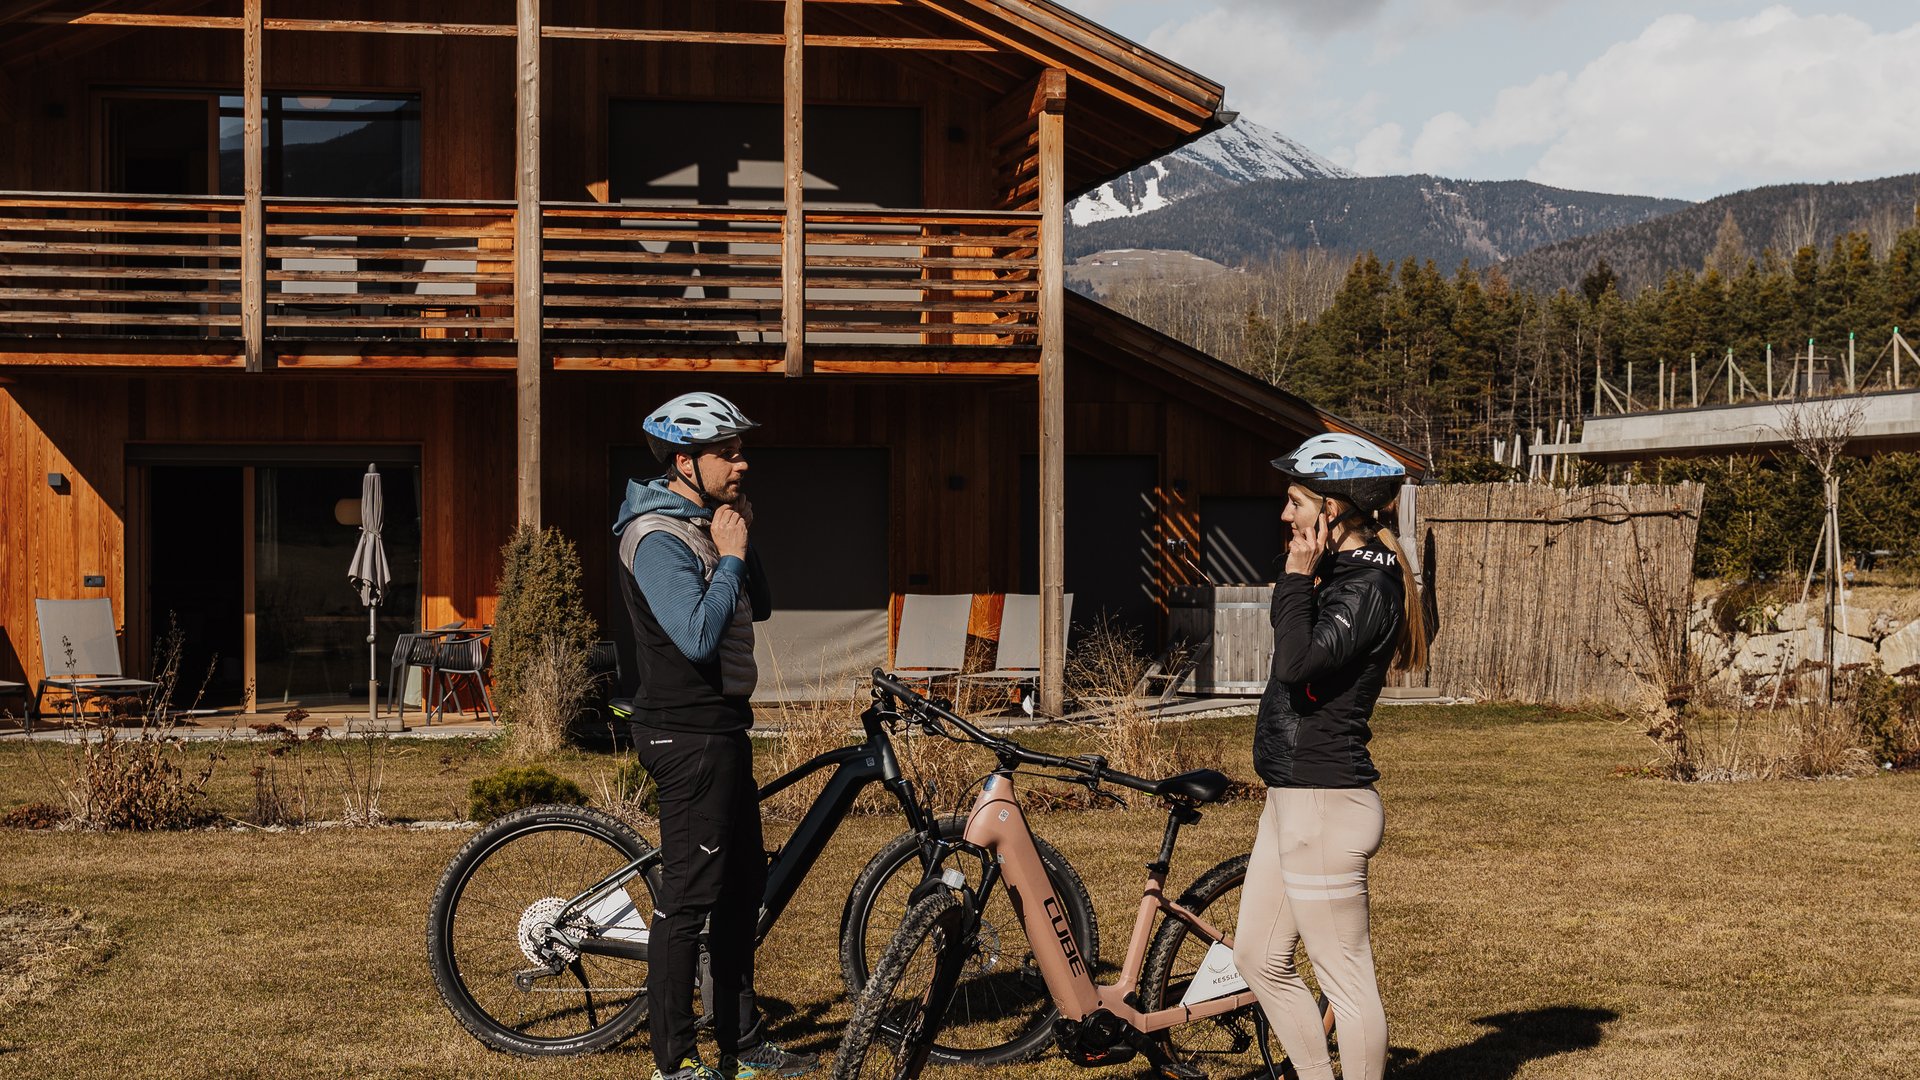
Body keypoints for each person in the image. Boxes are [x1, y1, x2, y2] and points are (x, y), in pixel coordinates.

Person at [612, 391, 816, 1080]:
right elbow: (698, 636)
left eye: (738, 449)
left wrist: (740, 546)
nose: (741, 462)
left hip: (724, 729)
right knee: (688, 902)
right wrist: (727, 556)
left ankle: (743, 1043)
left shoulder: (703, 524)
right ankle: (674, 1063)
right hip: (686, 735)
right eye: (726, 452)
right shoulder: (657, 538)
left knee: (738, 894)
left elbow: (760, 608)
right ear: (684, 461)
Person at [1232, 432, 1427, 1080]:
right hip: (1293, 800)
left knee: (1346, 984)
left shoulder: (1367, 585)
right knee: (1258, 959)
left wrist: (1293, 578)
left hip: (1324, 804)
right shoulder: (1343, 575)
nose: (1285, 516)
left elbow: (1296, 664)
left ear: (1336, 505)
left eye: (1295, 502)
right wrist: (1304, 578)